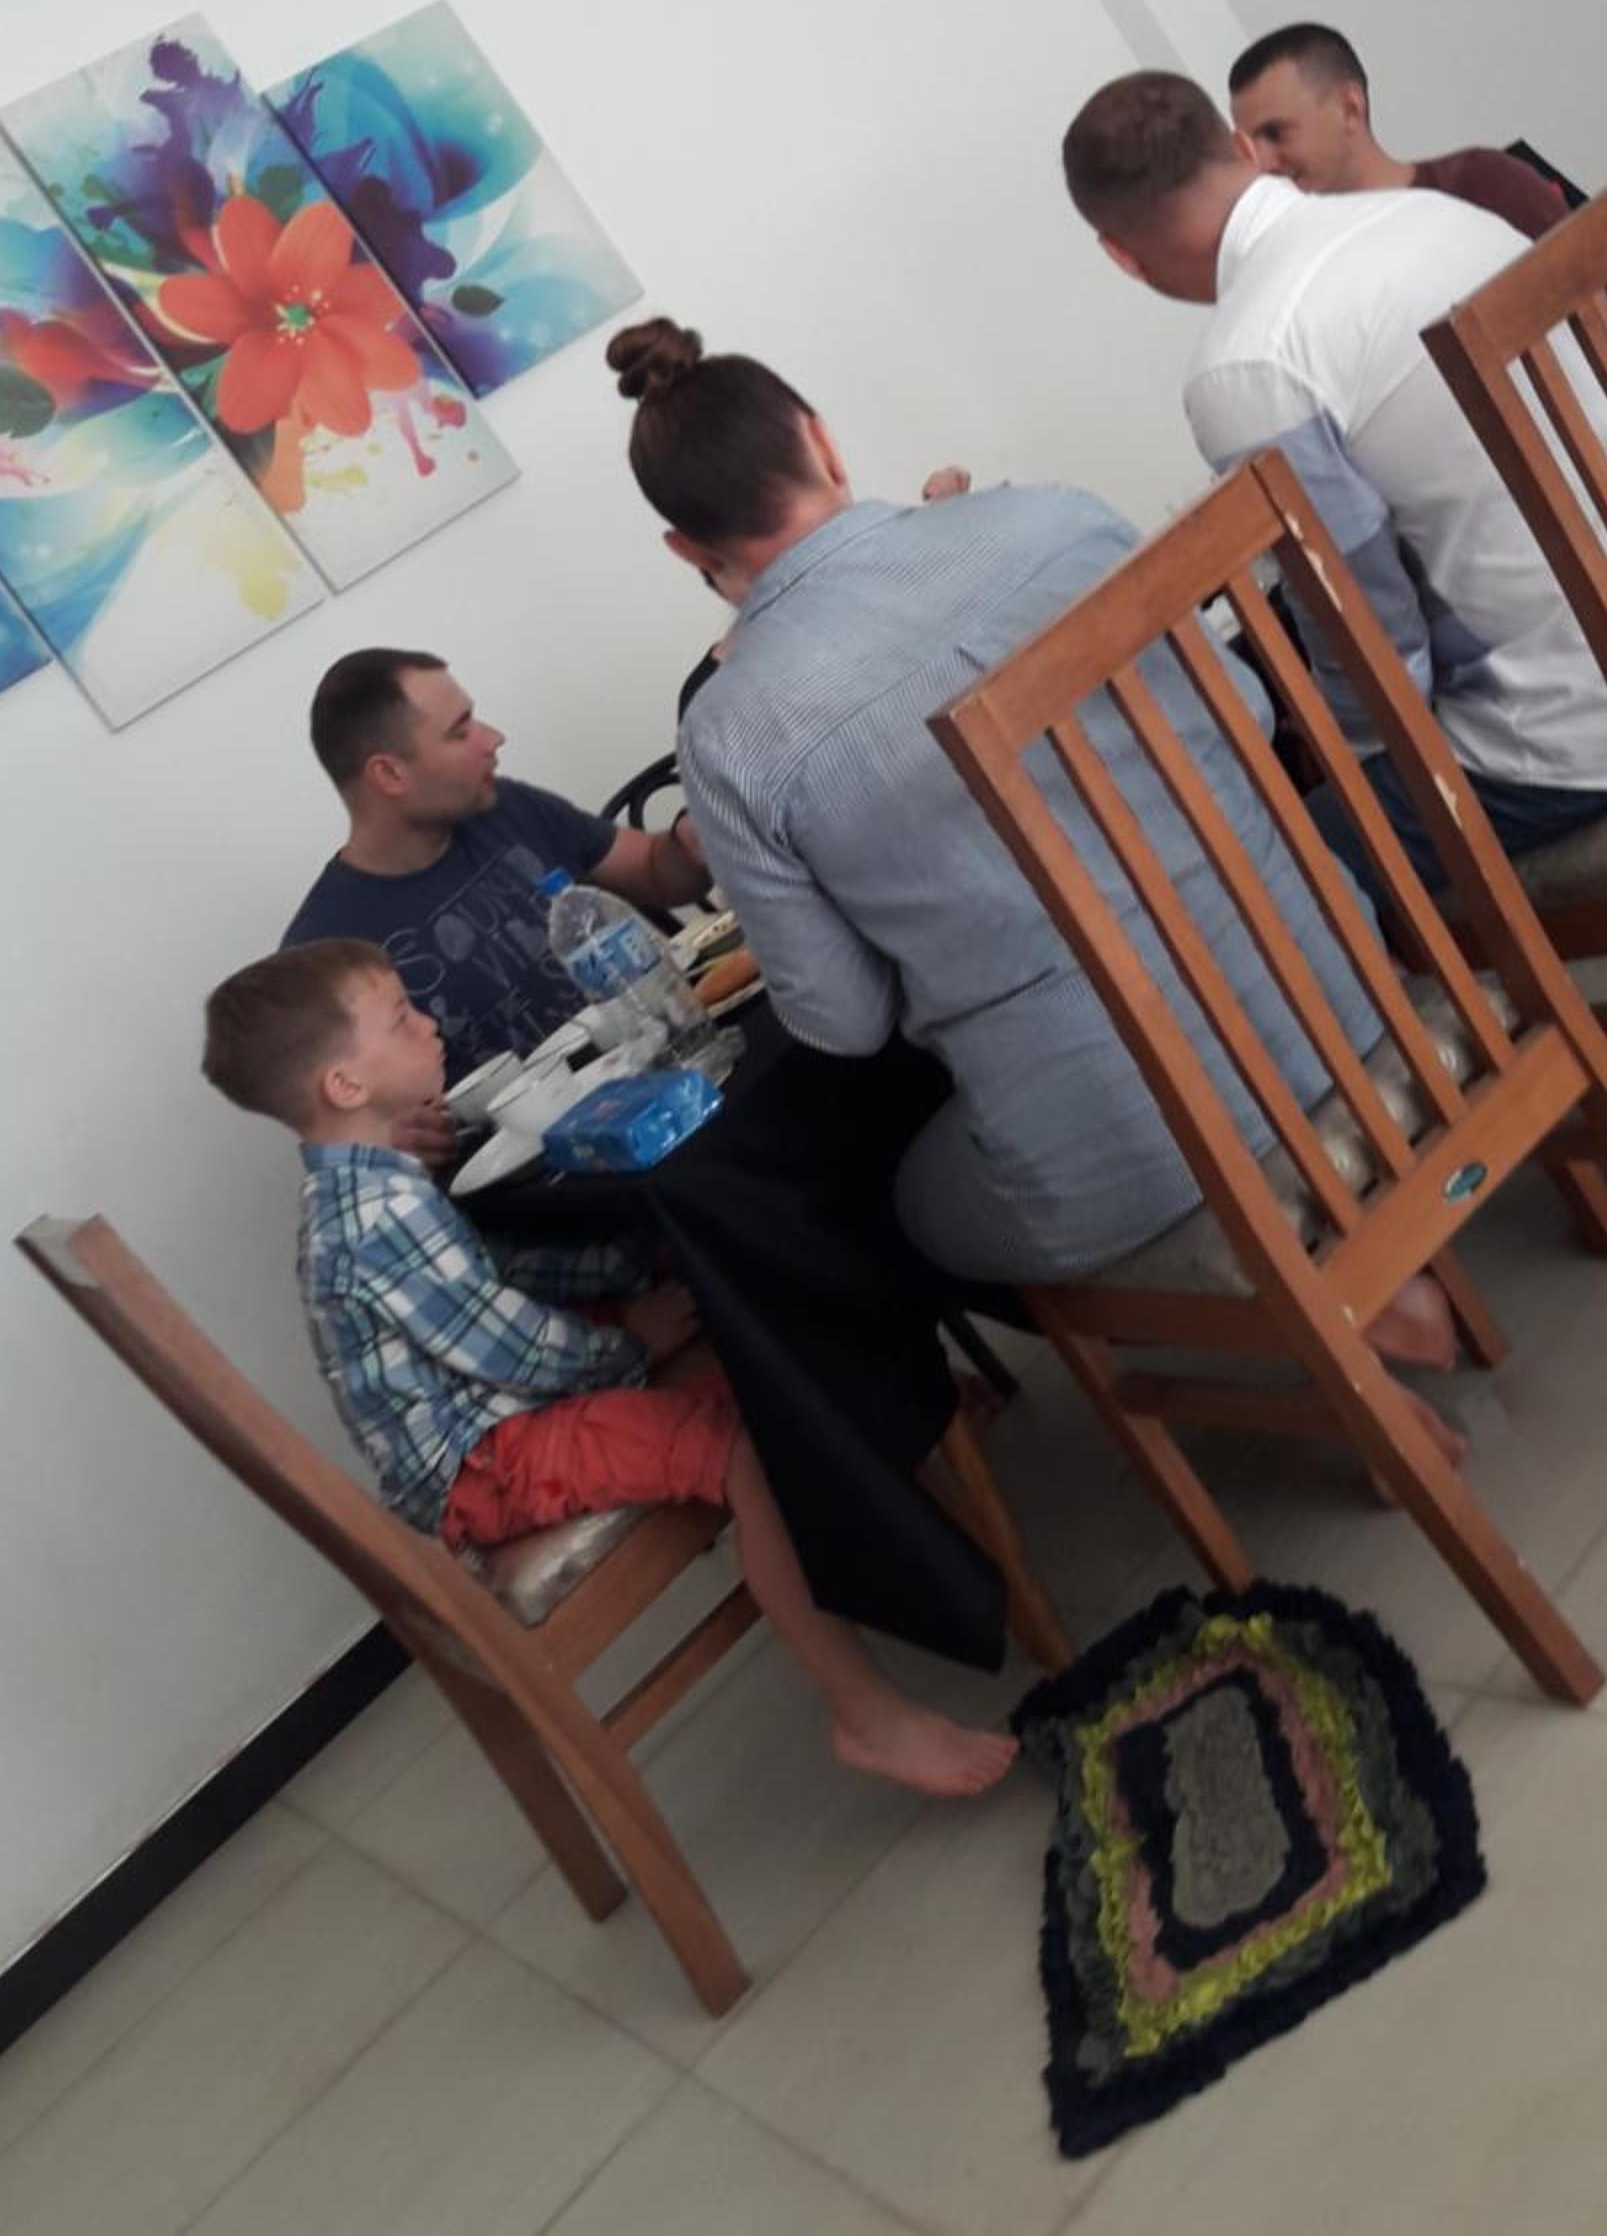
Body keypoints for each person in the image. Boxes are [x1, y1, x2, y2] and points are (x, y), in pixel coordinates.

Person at [607, 314, 1459, 1383]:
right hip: (1345, 992)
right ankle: (1352, 1267)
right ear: (820, 439)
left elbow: (844, 1020)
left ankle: (1299, 1309)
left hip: (1139, 1148)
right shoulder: (1055, 520)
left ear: (687, 549)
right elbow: (1244, 718)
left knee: (911, 1208)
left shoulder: (732, 732)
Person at [1062, 70, 1607, 1109]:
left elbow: (1366, 634)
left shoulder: (1247, 363)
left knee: (1291, 871)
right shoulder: (1441, 218)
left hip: (1601, 729)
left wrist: (1353, 756)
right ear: (1242, 150)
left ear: (1120, 255)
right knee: (1431, 722)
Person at [200, 938, 1018, 1795]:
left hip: (497, 1403)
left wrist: (627, 1274)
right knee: (739, 1453)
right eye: (401, 1019)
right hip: (482, 1458)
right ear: (345, 1086)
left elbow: (500, 1273)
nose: (429, 1025)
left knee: (731, 1306)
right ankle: (866, 1716)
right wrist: (635, 1343)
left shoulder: (379, 1182)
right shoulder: (374, 1220)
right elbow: (511, 1346)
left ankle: (891, 1438)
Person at [282, 648, 713, 1158]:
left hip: (674, 1075)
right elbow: (345, 1131)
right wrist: (389, 1138)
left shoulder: (502, 805)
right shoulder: (323, 949)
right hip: (559, 1168)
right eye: (460, 731)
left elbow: (656, 873)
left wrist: (689, 842)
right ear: (390, 774)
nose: (493, 738)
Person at [1228, 22, 1567, 240]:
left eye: (1276, 133)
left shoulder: (1482, 183)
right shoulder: (1310, 267)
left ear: (1349, 109)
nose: (1264, 164)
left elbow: (1592, 288)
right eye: (1251, 147)